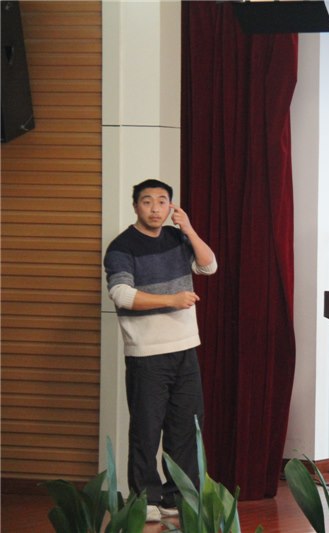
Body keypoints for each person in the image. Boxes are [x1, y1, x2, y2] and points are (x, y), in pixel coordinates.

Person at [103, 178, 217, 522]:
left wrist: (189, 229)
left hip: (185, 348)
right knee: (146, 430)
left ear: (171, 206)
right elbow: (121, 295)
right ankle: (145, 499)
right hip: (147, 353)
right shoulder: (122, 247)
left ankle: (177, 497)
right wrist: (171, 299)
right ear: (135, 206)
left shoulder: (177, 238)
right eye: (147, 201)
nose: (155, 208)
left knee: (186, 428)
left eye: (162, 201)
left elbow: (209, 266)